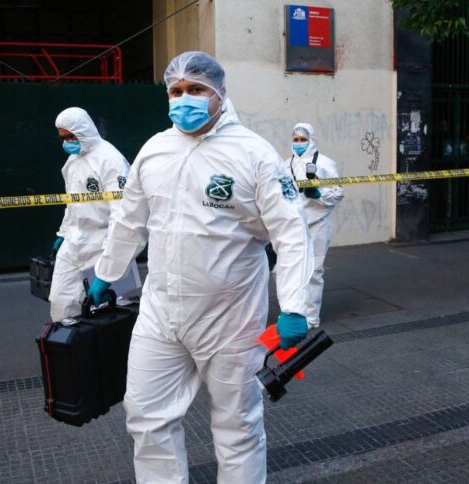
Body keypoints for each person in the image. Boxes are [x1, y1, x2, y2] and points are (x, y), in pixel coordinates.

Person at [88, 51, 313, 483]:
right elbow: (130, 221)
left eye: (195, 89)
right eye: (175, 91)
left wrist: (294, 305)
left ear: (219, 93)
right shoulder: (155, 150)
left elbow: (291, 233)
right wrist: (106, 272)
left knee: (237, 425)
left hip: (230, 318)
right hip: (160, 313)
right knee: (145, 415)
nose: (184, 99)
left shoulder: (254, 154)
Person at [48, 107, 134, 322]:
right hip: (74, 241)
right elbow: (72, 203)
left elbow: (123, 214)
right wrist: (63, 232)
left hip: (102, 244)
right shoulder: (72, 161)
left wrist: (110, 262)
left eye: (71, 136)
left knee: (105, 316)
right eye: (63, 138)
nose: (67, 142)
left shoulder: (111, 161)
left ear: (83, 130)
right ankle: (65, 342)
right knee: (61, 302)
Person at [286, 123, 345, 329]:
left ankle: (311, 316)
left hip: (318, 224)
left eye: (303, 139)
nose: (299, 143)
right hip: (293, 225)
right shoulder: (285, 165)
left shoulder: (326, 164)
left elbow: (338, 193)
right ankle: (293, 311)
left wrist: (319, 194)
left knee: (314, 271)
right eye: (296, 139)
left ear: (311, 140)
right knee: (291, 270)